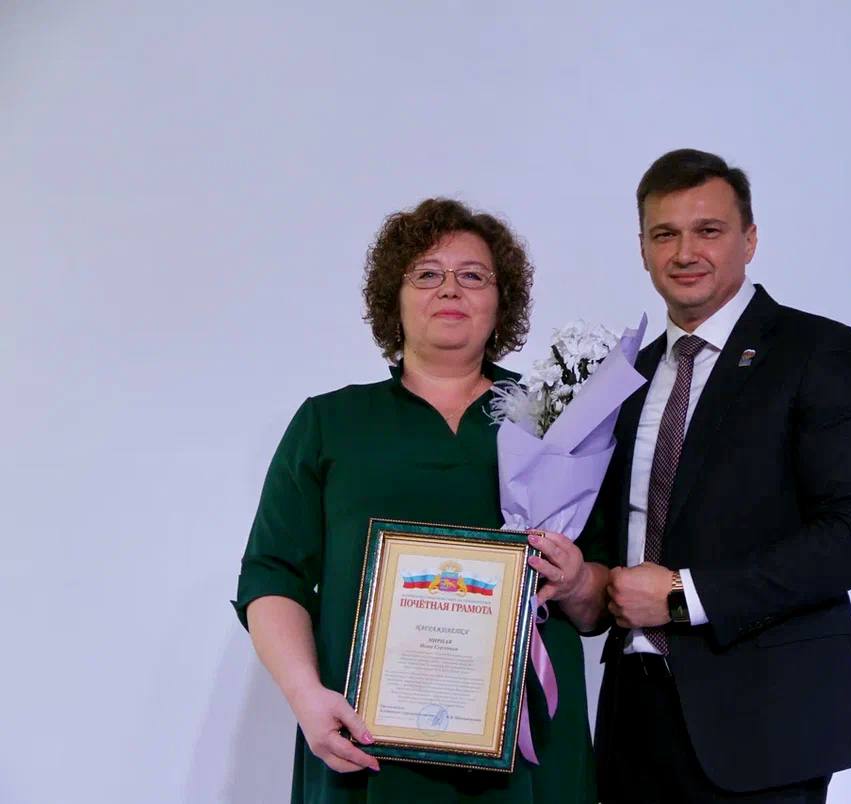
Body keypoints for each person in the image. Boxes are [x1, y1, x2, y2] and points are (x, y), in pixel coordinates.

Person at [233, 198, 606, 804]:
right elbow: (273, 575)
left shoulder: (560, 422)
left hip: (525, 746)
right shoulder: (331, 422)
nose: (449, 288)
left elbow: (600, 598)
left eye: (473, 275)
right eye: (427, 273)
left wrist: (580, 580)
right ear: (394, 297)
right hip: (365, 740)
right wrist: (305, 696)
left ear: (502, 300)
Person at [592, 149, 851, 803]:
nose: (685, 253)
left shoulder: (819, 353)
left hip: (764, 724)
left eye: (709, 230)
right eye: (664, 234)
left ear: (750, 239)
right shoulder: (626, 377)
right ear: (642, 249)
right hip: (632, 720)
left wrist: (684, 595)